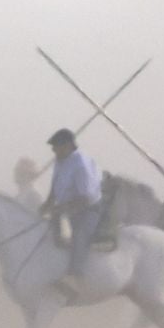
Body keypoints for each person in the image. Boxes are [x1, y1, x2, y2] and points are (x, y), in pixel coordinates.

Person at [42, 128, 105, 299]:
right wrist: (47, 205)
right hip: (67, 208)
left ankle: (75, 277)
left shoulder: (81, 164)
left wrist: (61, 209)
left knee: (79, 236)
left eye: (57, 147)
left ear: (68, 146)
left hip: (88, 209)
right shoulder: (59, 160)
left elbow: (85, 197)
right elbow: (54, 187)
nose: (54, 151)